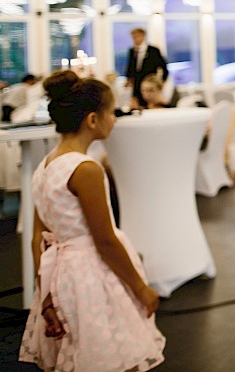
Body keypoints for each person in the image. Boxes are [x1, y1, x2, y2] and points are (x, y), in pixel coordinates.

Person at [19, 70, 164, 371]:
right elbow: (105, 239)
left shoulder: (45, 167)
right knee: (113, 353)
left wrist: (45, 297)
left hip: (60, 277)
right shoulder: (86, 169)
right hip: (91, 277)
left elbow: (38, 237)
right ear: (92, 120)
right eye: (111, 112)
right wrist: (140, 288)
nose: (115, 118)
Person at [124, 28, 168, 108]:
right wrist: (128, 79)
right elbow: (130, 66)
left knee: (151, 103)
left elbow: (164, 67)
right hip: (137, 84)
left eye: (137, 36)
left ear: (143, 36)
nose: (135, 39)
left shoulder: (153, 51)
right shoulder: (132, 51)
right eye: (133, 37)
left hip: (150, 82)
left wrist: (162, 82)